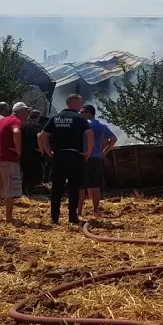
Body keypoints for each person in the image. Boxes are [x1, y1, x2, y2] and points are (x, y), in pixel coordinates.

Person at [39, 94, 93, 226]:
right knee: (74, 187)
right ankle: (72, 217)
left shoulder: (56, 118)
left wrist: (48, 151)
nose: (81, 105)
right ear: (73, 103)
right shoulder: (79, 118)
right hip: (74, 155)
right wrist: (88, 152)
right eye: (80, 103)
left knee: (57, 187)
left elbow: (42, 135)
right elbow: (90, 134)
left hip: (58, 156)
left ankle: (55, 217)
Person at [0, 102, 28, 224]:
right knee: (9, 189)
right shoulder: (15, 121)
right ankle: (9, 218)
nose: (27, 115)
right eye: (26, 112)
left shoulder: (1, 121)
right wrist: (18, 150)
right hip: (9, 160)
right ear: (20, 112)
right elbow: (16, 132)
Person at [79, 104, 117, 216]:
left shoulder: (83, 125)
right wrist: (104, 152)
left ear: (89, 112)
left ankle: (79, 211)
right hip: (97, 158)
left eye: (82, 112)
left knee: (80, 186)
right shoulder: (102, 126)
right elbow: (113, 139)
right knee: (95, 185)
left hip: (84, 157)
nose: (80, 114)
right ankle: (95, 210)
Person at [20, 109, 46, 197]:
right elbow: (39, 136)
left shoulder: (24, 126)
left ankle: (24, 192)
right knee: (37, 174)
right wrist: (41, 149)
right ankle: (32, 192)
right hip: (35, 154)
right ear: (38, 117)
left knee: (26, 174)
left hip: (24, 154)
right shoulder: (38, 126)